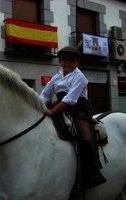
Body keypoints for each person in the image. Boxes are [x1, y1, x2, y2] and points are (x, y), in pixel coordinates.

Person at [40, 46, 106, 189]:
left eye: (71, 60)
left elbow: (70, 99)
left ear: (77, 62)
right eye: (64, 59)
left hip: (78, 110)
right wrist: (39, 106)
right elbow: (45, 94)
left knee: (86, 139)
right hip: (58, 106)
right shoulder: (57, 76)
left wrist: (51, 112)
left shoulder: (80, 77)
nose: (67, 62)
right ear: (60, 61)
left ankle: (91, 173)